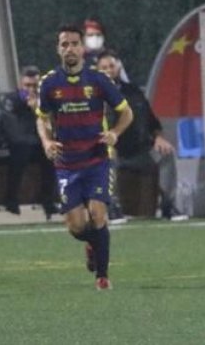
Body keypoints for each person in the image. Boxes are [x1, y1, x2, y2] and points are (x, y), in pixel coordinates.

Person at [37, 25, 133, 290]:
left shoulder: (99, 80)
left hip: (97, 159)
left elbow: (127, 113)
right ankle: (92, 242)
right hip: (67, 164)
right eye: (64, 44)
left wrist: (114, 133)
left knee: (98, 214)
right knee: (76, 226)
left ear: (82, 48)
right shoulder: (49, 83)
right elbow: (42, 119)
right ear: (59, 49)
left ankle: (102, 276)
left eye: (74, 43)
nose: (69, 48)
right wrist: (46, 141)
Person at [95, 49, 187, 221]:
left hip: (141, 150)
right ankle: (113, 207)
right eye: (104, 67)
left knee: (166, 154)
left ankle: (168, 205)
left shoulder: (133, 91)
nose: (109, 70)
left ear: (118, 67)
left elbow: (152, 121)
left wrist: (158, 137)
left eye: (112, 66)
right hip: (114, 151)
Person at [0, 65, 58, 216]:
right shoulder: (10, 100)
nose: (31, 90)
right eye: (28, 85)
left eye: (35, 86)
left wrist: (37, 111)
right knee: (21, 152)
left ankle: (48, 200)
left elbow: (51, 128)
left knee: (51, 154)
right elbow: (13, 132)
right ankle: (11, 200)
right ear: (20, 84)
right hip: (7, 148)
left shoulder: (45, 101)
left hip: (32, 145)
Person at [81, 17, 130, 83]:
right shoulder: (77, 58)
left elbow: (125, 83)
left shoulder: (112, 58)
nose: (95, 38)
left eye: (98, 35)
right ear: (84, 37)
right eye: (90, 35)